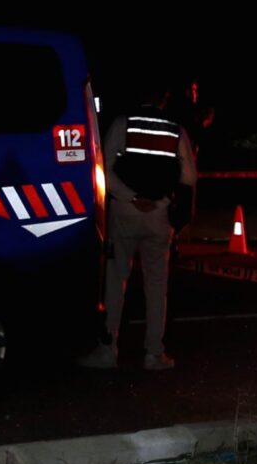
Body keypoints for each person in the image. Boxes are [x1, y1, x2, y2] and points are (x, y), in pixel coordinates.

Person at [81, 83, 196, 371]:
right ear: (165, 97)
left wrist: (131, 196)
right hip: (159, 215)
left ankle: (108, 351)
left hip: (124, 213)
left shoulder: (123, 124)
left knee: (115, 281)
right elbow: (189, 177)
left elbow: (104, 168)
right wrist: (161, 199)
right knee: (157, 286)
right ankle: (154, 354)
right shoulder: (176, 130)